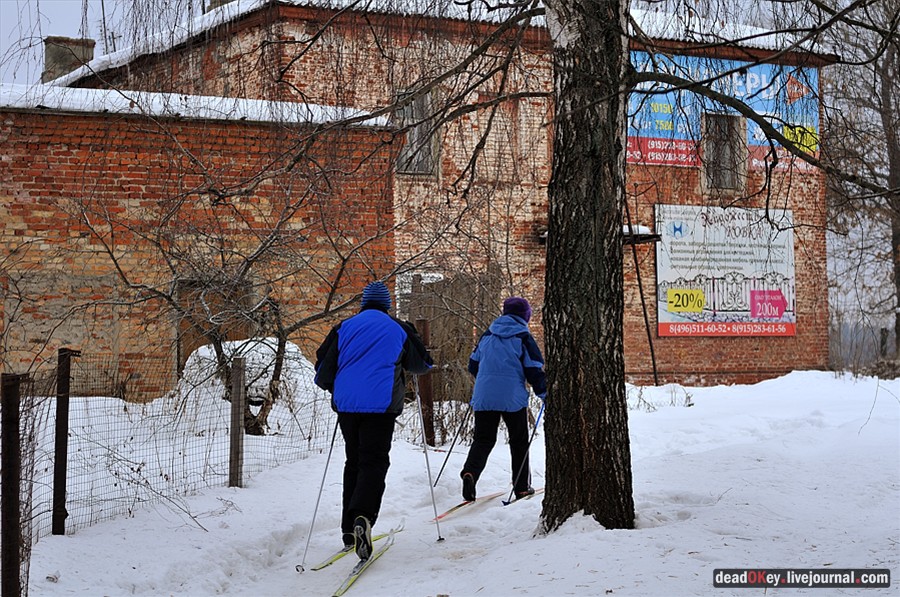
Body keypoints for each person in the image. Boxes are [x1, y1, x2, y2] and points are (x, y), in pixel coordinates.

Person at [314, 281, 432, 560]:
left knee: (353, 461)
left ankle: (347, 529)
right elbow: (422, 365)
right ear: (387, 304)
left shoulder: (344, 327)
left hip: (348, 407)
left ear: (363, 303)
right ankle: (363, 516)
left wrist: (340, 388)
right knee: (374, 461)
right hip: (380, 407)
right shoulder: (399, 328)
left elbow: (322, 371)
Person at [460, 296, 546, 502]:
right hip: (512, 397)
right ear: (525, 316)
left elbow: (473, 365)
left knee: (483, 439)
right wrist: (544, 393)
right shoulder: (523, 337)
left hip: (484, 395)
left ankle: (470, 473)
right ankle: (522, 487)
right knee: (518, 442)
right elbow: (534, 368)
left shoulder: (488, 335)